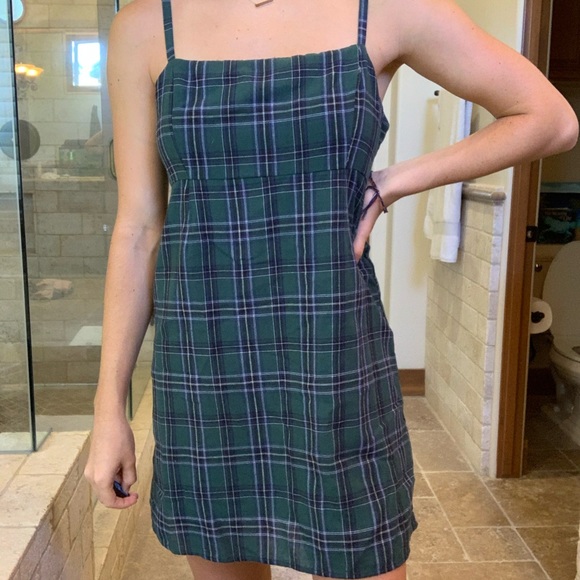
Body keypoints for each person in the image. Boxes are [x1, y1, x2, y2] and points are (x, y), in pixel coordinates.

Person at [84, 0, 578, 578]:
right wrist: (108, 408)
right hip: (206, 363)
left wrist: (395, 181)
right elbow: (139, 229)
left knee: (362, 548)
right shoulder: (144, 26)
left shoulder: (388, 9)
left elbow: (550, 118)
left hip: (336, 356)